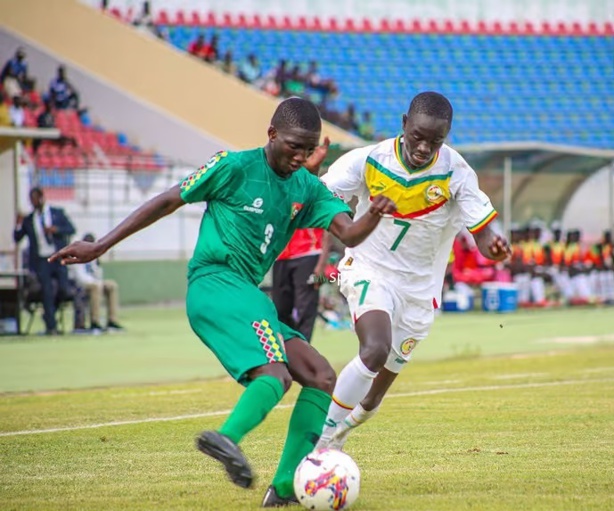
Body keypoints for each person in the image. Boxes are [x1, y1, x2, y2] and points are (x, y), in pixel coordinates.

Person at [49, 97, 396, 507]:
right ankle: (224, 438)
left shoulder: (307, 186)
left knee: (320, 375)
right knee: (277, 374)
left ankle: (284, 489)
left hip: (247, 295)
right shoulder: (232, 166)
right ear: (271, 135)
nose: (300, 157)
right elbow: (166, 201)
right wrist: (99, 246)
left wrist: (373, 213)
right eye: (293, 146)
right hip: (214, 284)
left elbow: (350, 233)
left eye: (309, 149)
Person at [312, 91, 511, 450]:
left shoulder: (456, 173)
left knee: (371, 401)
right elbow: (320, 198)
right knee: (374, 349)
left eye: (435, 140)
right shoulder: (368, 160)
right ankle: (318, 445)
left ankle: (337, 439)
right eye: (418, 136)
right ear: (404, 124)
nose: (424, 147)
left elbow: (482, 235)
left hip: (420, 293)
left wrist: (494, 248)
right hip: (368, 269)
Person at [14, 187, 76, 335]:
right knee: (47, 292)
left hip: (58, 256)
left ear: (42, 198)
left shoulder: (57, 213)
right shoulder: (29, 220)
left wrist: (56, 230)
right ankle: (51, 326)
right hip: (43, 260)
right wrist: (18, 224)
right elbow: (17, 238)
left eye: (35, 198)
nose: (33, 202)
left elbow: (71, 229)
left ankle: (50, 313)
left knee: (63, 289)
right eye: (31, 199)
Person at [273, 225, 330, 343]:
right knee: (279, 309)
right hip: (280, 255)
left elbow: (328, 226)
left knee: (305, 310)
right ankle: (288, 349)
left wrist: (322, 263)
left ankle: (304, 351)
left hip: (309, 253)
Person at [70, 233, 124, 333]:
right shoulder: (75, 256)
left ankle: (112, 321)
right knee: (96, 287)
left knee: (111, 285)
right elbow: (80, 276)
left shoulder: (93, 256)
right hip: (81, 284)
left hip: (94, 282)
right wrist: (95, 283)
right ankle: (95, 322)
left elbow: (97, 274)